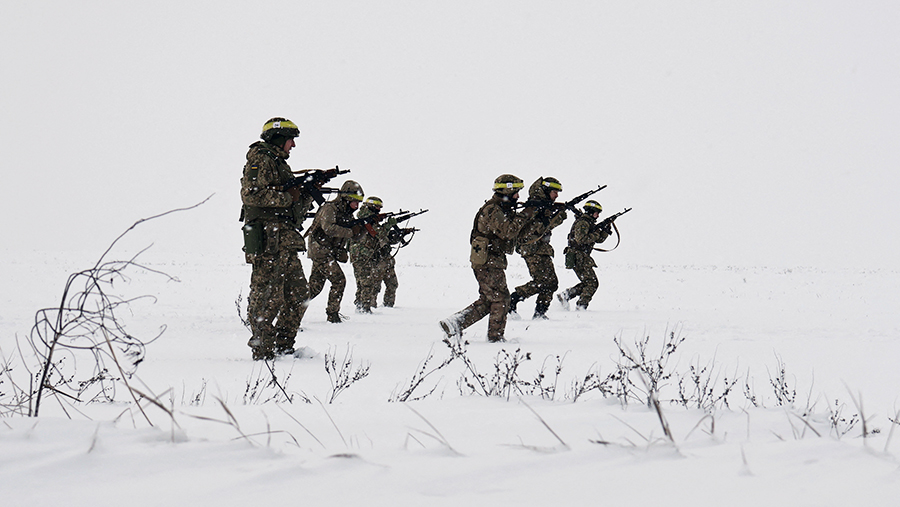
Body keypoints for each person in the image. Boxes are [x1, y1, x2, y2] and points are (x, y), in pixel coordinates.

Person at [240, 117, 314, 360]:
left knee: (299, 295)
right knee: (267, 297)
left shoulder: (278, 163)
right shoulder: (261, 159)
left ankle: (284, 344)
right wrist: (289, 197)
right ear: (279, 138)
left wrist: (306, 193)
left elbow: (291, 207)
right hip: (269, 242)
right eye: (291, 140)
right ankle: (262, 349)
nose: (293, 145)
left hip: (285, 241)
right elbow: (252, 195)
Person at [439, 175, 532, 343]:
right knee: (501, 298)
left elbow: (516, 234)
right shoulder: (493, 210)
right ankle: (495, 338)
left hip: (489, 260)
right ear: (507, 192)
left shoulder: (501, 209)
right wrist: (526, 214)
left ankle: (455, 323)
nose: (518, 196)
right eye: (516, 192)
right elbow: (508, 232)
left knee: (489, 300)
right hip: (488, 261)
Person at [306, 179, 366, 323]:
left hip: (326, 252)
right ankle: (332, 315)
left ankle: (289, 312)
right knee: (339, 280)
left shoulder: (347, 214)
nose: (357, 206)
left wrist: (363, 228)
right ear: (346, 199)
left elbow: (354, 236)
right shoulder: (330, 208)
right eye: (355, 202)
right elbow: (329, 229)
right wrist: (350, 231)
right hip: (320, 251)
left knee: (314, 288)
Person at [509, 177, 567, 320]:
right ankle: (512, 300)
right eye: (554, 192)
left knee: (551, 283)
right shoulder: (534, 207)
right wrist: (557, 218)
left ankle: (540, 313)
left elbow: (544, 227)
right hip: (532, 249)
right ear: (546, 191)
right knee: (542, 282)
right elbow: (533, 229)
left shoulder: (544, 206)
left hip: (542, 249)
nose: (557, 195)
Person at [557, 200, 610, 310]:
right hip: (578, 256)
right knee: (591, 283)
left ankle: (566, 295)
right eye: (596, 213)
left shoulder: (588, 223)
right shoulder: (583, 223)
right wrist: (597, 232)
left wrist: (605, 231)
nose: (598, 216)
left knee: (589, 282)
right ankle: (581, 306)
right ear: (591, 211)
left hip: (582, 256)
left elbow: (598, 240)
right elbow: (581, 239)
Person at [349, 196, 399, 313]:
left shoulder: (365, 217)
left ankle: (360, 304)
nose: (379, 210)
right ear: (371, 206)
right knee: (367, 282)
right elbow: (378, 233)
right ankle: (364, 308)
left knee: (362, 282)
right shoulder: (366, 219)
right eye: (377, 207)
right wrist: (388, 225)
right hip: (362, 254)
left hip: (361, 254)